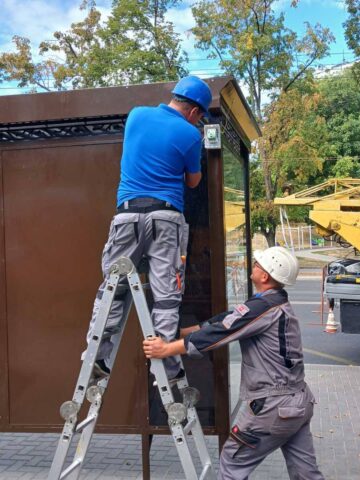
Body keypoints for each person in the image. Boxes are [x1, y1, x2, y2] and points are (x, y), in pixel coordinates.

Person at [143, 247, 325, 480]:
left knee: (232, 463)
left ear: (265, 276)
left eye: (257, 264)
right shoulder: (273, 303)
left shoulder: (263, 308)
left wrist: (166, 349)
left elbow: (220, 332)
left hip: (273, 406)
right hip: (298, 402)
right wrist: (181, 333)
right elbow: (226, 319)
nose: (253, 266)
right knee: (305, 472)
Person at [85, 75, 212, 382]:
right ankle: (166, 368)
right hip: (165, 219)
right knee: (166, 294)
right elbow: (193, 181)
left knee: (113, 287)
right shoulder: (190, 134)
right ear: (195, 111)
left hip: (127, 216)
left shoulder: (136, 115)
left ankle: (96, 356)